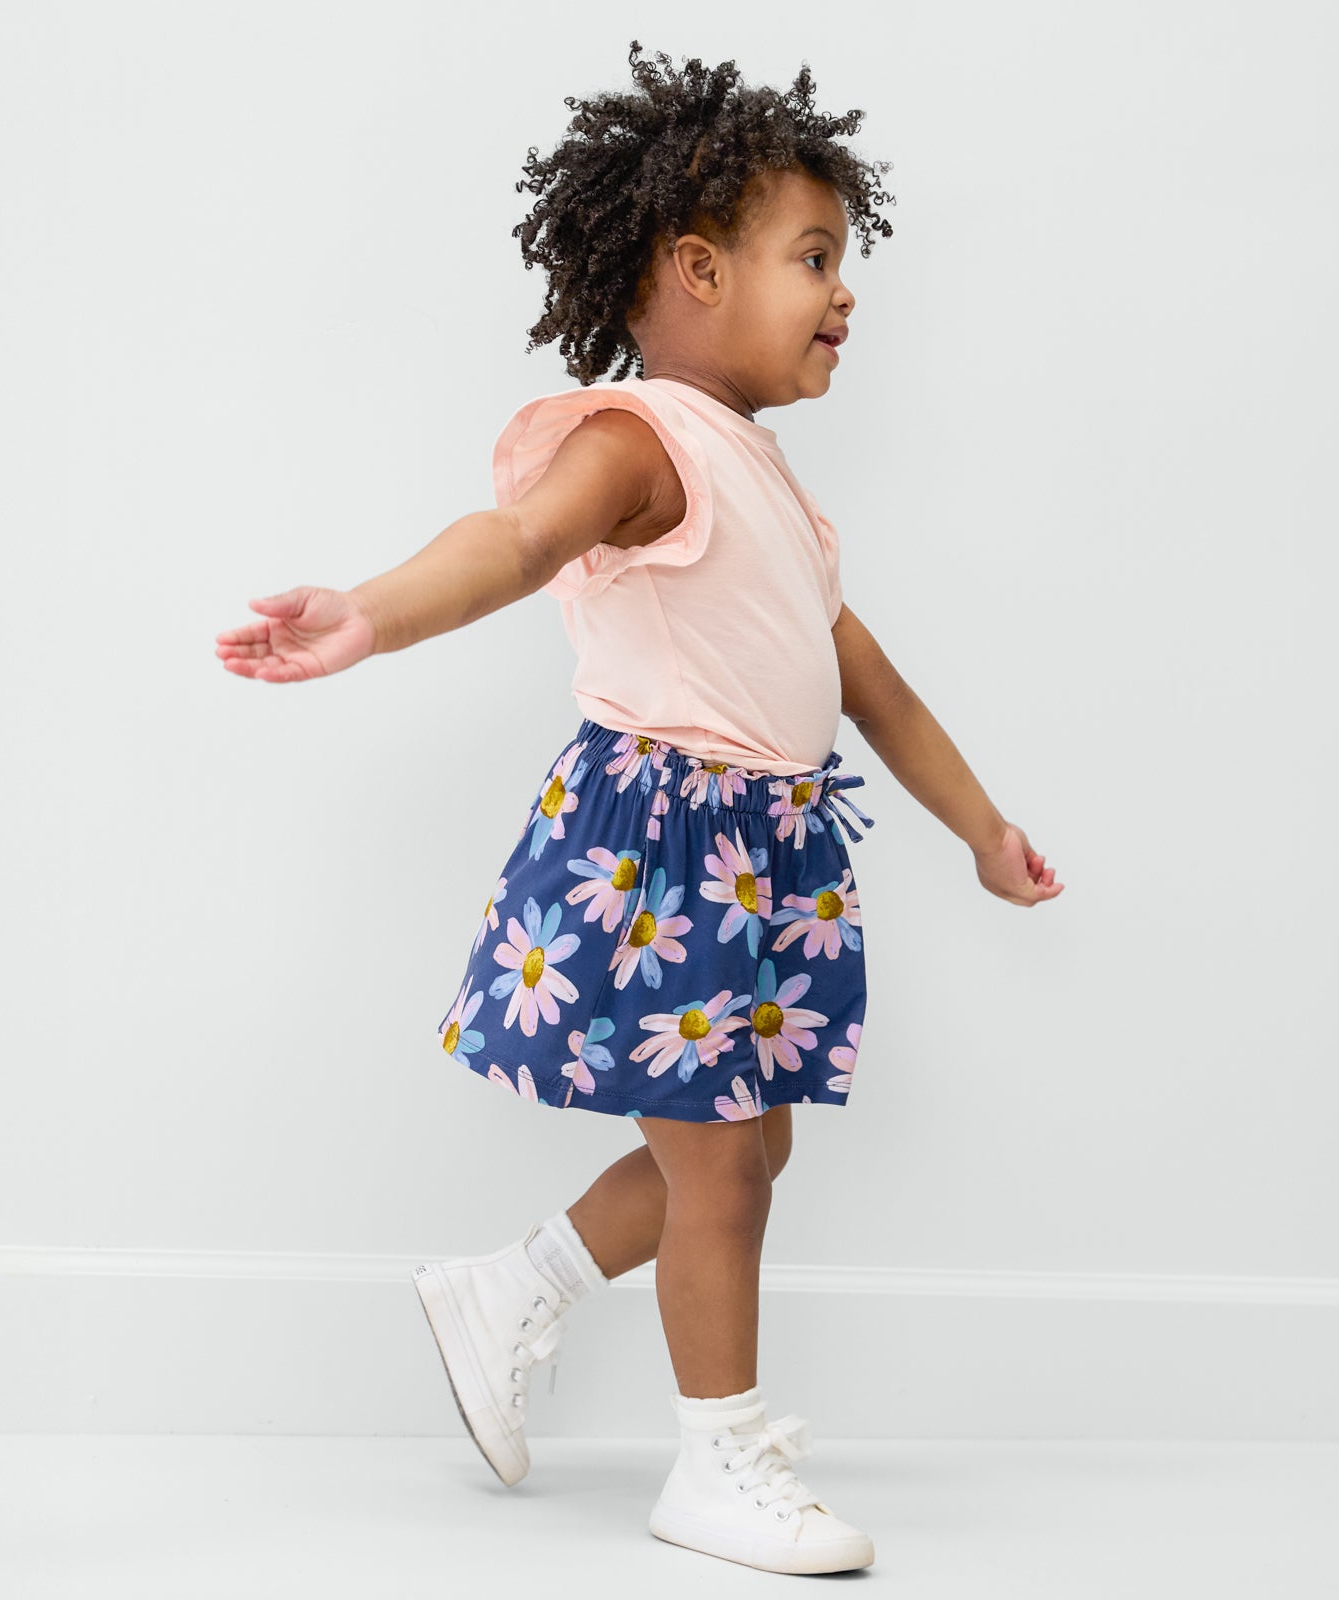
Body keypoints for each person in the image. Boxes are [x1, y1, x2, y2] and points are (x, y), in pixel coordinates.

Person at [213, 40, 1064, 1578]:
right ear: (692, 268)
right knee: (725, 1163)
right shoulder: (642, 440)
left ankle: (514, 1286)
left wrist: (981, 828)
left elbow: (864, 679)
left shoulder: (777, 487)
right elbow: (516, 540)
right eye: (813, 257)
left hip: (767, 853)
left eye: (843, 261)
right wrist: (373, 615)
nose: (845, 293)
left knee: (746, 1150)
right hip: (662, 849)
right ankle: (717, 1459)